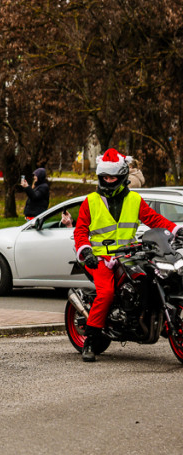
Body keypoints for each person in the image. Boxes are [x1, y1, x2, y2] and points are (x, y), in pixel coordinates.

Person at [73, 148, 182, 362]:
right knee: (106, 294)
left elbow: (155, 220)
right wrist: (85, 251)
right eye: (104, 176)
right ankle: (91, 341)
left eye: (112, 176)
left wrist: (176, 230)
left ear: (122, 176)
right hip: (100, 258)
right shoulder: (91, 201)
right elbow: (80, 231)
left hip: (129, 255)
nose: (108, 180)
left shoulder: (134, 200)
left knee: (153, 277)